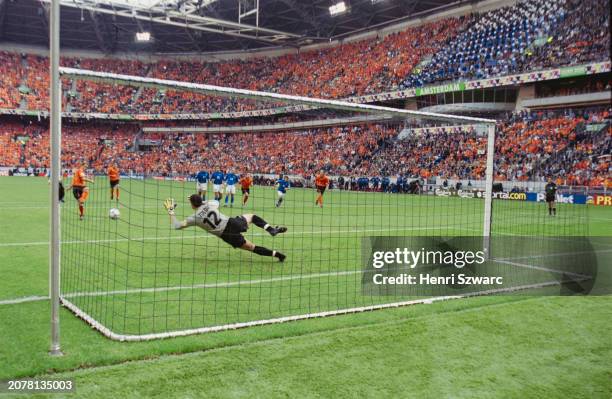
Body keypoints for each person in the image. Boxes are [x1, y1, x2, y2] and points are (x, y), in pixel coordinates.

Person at [163, 194, 286, 262]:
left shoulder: (194, 218)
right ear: (201, 201)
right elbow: (215, 202)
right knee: (252, 217)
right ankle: (271, 230)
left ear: (192, 205)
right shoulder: (210, 205)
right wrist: (201, 201)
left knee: (252, 247)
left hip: (226, 235)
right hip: (232, 223)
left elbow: (177, 226)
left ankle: (278, 255)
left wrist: (171, 211)